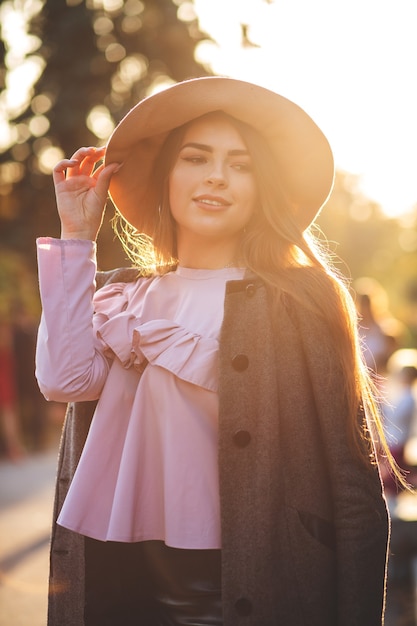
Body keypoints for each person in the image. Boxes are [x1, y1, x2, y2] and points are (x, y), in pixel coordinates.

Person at [36, 77, 392, 626]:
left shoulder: (302, 301)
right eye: (195, 158)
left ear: (260, 187)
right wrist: (76, 235)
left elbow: (354, 487)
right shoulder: (119, 294)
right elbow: (63, 380)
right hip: (122, 585)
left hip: (261, 585)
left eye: (241, 164)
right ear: (167, 177)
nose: (217, 177)